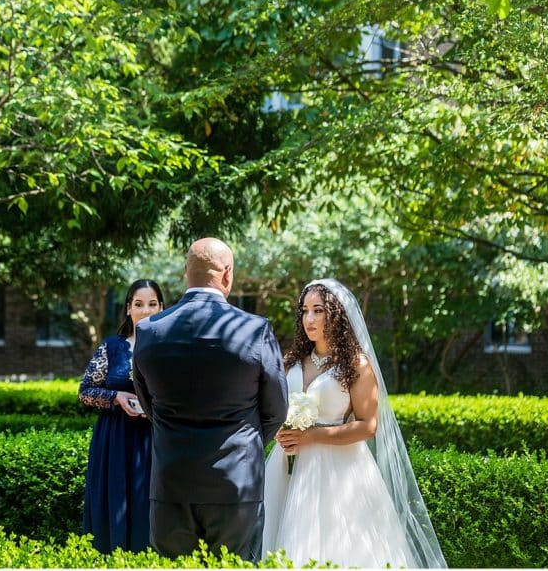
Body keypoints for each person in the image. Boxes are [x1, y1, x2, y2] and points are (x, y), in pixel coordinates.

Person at [261, 279, 446, 567]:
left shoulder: (357, 366)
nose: (309, 319)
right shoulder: (291, 360)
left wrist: (313, 436)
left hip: (339, 471)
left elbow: (368, 426)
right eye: (305, 310)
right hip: (285, 466)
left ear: (336, 314)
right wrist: (278, 429)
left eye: (318, 310)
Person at [132, 238, 288, 562]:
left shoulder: (149, 331)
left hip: (171, 482)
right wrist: (245, 443)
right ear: (227, 274)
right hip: (236, 482)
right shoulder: (254, 330)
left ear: (185, 273)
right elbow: (276, 409)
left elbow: (148, 405)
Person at [79, 279, 164, 553]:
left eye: (152, 304)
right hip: (115, 438)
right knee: (115, 499)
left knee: (148, 502)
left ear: (162, 308)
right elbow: (85, 391)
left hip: (153, 438)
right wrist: (115, 397)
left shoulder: (170, 347)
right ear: (128, 308)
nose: (146, 311)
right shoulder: (113, 347)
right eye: (139, 304)